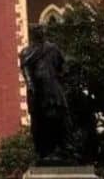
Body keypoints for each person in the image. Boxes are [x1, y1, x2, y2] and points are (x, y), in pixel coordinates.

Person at [19, 24, 68, 163]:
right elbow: (26, 72)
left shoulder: (52, 49)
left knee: (57, 118)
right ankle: (44, 152)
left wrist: (59, 78)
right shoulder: (26, 52)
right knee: (39, 122)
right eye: (37, 31)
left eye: (41, 31)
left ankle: (60, 150)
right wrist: (31, 87)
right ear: (32, 34)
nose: (40, 33)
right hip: (37, 92)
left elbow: (62, 66)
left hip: (53, 88)